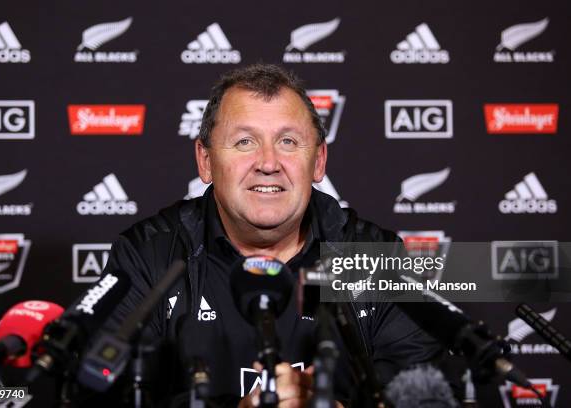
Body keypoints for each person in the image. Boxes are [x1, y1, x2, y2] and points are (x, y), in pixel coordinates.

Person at [100, 64, 443, 407]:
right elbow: (102, 397)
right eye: (245, 141)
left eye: (288, 141)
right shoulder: (146, 256)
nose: (268, 162)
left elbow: (427, 394)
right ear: (205, 160)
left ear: (319, 160)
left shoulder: (376, 257)